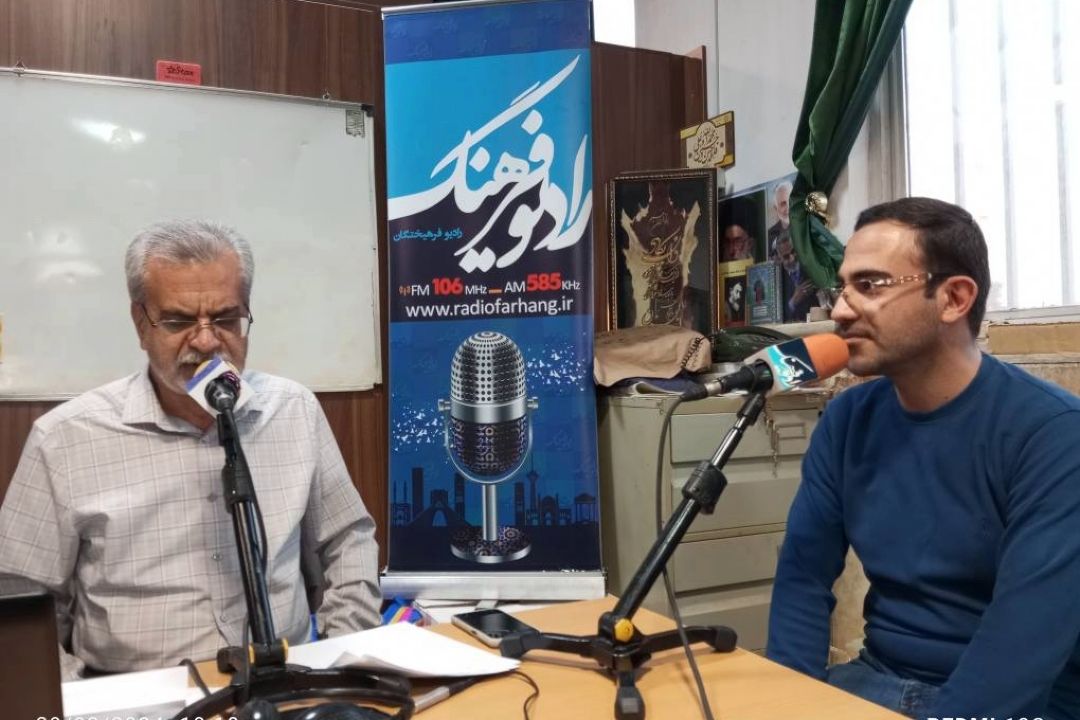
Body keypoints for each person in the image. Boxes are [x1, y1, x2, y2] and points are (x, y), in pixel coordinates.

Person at [0, 220, 381, 678]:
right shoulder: (65, 438)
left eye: (225, 319)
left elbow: (347, 540)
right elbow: (19, 604)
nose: (205, 341)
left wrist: (344, 657)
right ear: (141, 323)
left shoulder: (293, 410)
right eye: (179, 321)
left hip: (284, 683)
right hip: (131, 695)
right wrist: (83, 701)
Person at [766, 197, 1080, 719]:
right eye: (842, 288)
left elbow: (1022, 648)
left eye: (870, 285)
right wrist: (789, 704)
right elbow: (802, 577)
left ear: (954, 298)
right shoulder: (847, 421)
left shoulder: (1055, 435)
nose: (840, 311)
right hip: (877, 677)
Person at [776, 230, 822, 322]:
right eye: (786, 257)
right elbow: (776, 317)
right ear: (780, 258)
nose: (792, 258)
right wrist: (794, 301)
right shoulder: (776, 277)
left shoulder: (812, 267)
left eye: (794, 251)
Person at [767, 180, 793, 260]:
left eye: (791, 201)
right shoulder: (769, 236)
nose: (788, 207)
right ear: (776, 208)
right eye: (783, 204)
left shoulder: (807, 227)